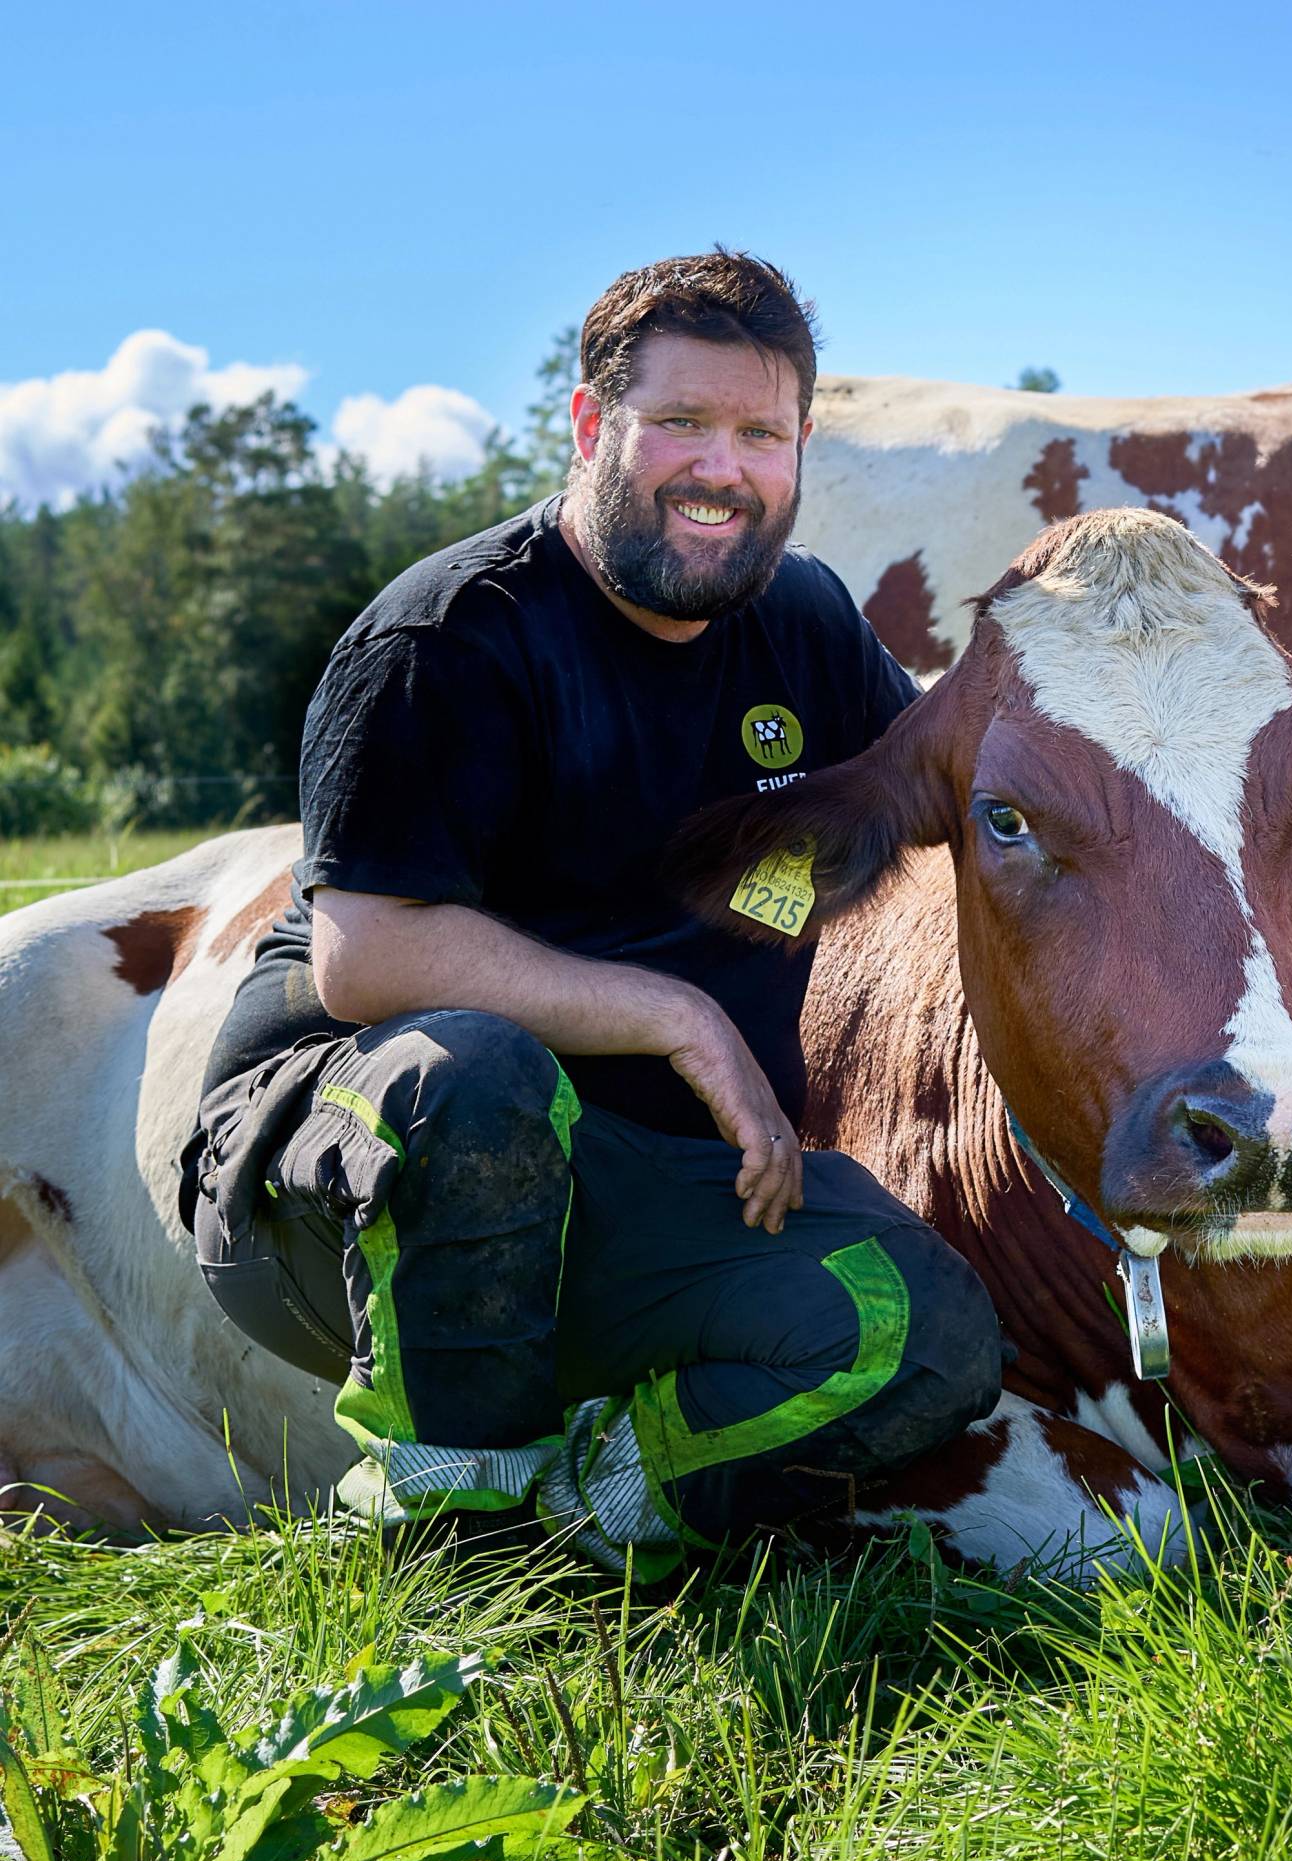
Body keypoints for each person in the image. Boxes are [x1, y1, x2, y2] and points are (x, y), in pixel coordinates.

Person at [186, 251, 1002, 1582]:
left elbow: (963, 785)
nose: (720, 468)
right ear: (590, 426)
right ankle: (451, 1550)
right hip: (338, 1170)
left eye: (760, 432)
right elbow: (364, 951)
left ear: (800, 448)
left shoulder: (803, 626)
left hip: (634, 1178)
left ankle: (597, 1518)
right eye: (679, 420)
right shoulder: (446, 641)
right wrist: (675, 1014)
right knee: (481, 1073)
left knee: (929, 1330)